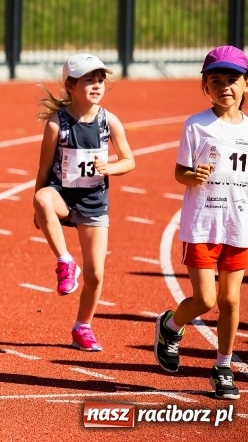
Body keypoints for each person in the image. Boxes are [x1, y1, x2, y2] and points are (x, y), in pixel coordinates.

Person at [154, 45, 248, 400]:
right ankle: (171, 325)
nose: (225, 86)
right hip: (204, 223)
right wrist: (191, 176)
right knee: (206, 299)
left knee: (231, 300)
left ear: (246, 85)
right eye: (216, 80)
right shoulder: (196, 125)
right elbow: (180, 172)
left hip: (239, 224)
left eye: (233, 79)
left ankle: (223, 366)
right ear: (205, 87)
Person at [33, 53, 135, 352]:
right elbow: (42, 170)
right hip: (63, 196)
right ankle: (65, 261)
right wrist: (38, 209)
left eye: (100, 80)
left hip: (93, 202)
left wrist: (110, 167)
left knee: (95, 274)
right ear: (71, 85)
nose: (96, 85)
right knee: (42, 197)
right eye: (88, 80)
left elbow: (129, 160)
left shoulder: (109, 121)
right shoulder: (57, 124)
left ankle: (83, 327)